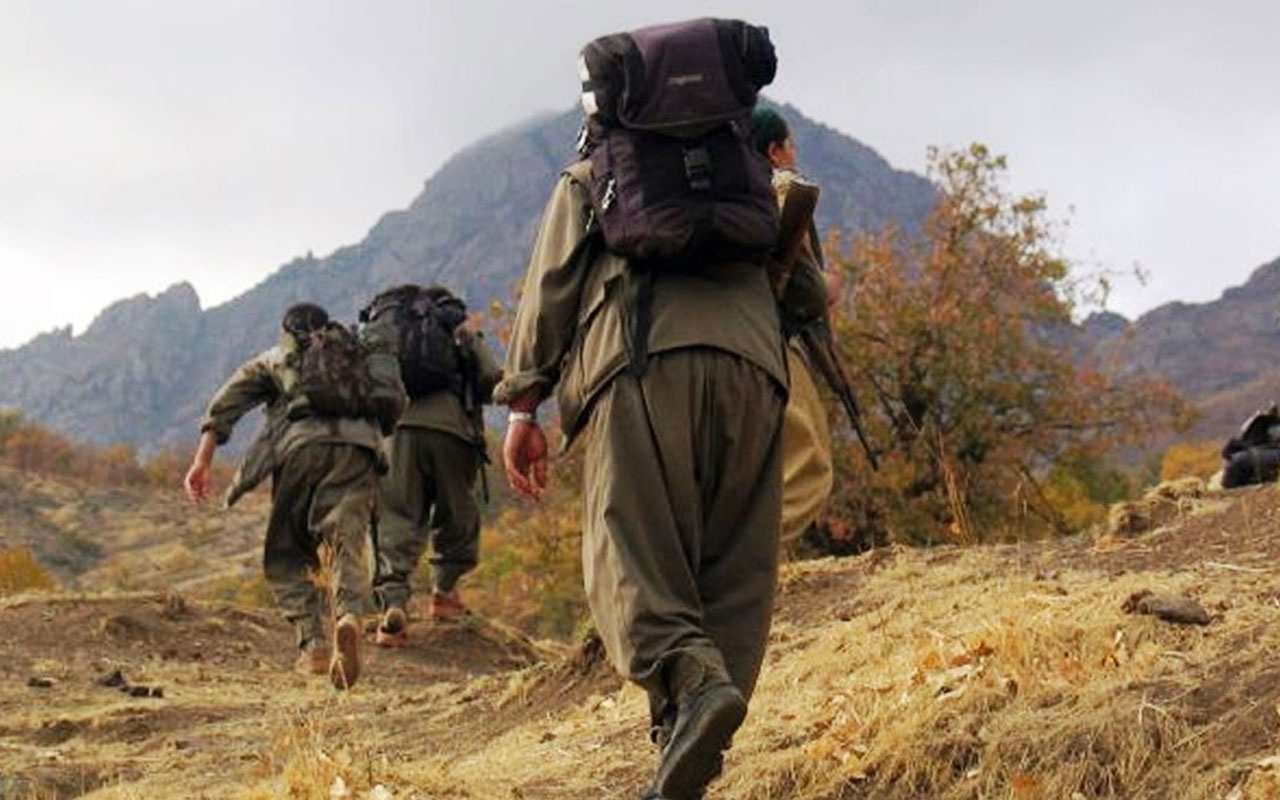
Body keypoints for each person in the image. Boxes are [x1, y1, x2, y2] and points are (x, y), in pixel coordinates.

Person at [497, 113, 788, 800]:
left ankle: (692, 682)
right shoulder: (748, 172)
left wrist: (522, 403)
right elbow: (803, 290)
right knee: (733, 567)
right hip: (756, 370)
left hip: (642, 358)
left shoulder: (594, 176)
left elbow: (551, 288)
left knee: (626, 549)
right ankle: (684, 747)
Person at [182, 302, 404, 690]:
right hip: (359, 450)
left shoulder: (278, 358)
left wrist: (203, 459)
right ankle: (349, 615)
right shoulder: (356, 354)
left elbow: (227, 403)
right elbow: (394, 402)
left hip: (300, 450)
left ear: (287, 330)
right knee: (345, 538)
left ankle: (314, 644)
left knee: (288, 550)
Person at [369, 285, 502, 646]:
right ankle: (444, 593)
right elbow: (490, 377)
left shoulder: (392, 329)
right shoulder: (455, 324)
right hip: (452, 429)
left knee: (396, 516)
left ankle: (393, 609)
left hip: (396, 432)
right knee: (455, 512)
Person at [751, 106, 838, 551]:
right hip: (768, 341)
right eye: (790, 145)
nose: (794, 153)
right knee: (809, 468)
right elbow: (805, 292)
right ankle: (748, 568)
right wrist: (827, 286)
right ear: (774, 150)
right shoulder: (781, 192)